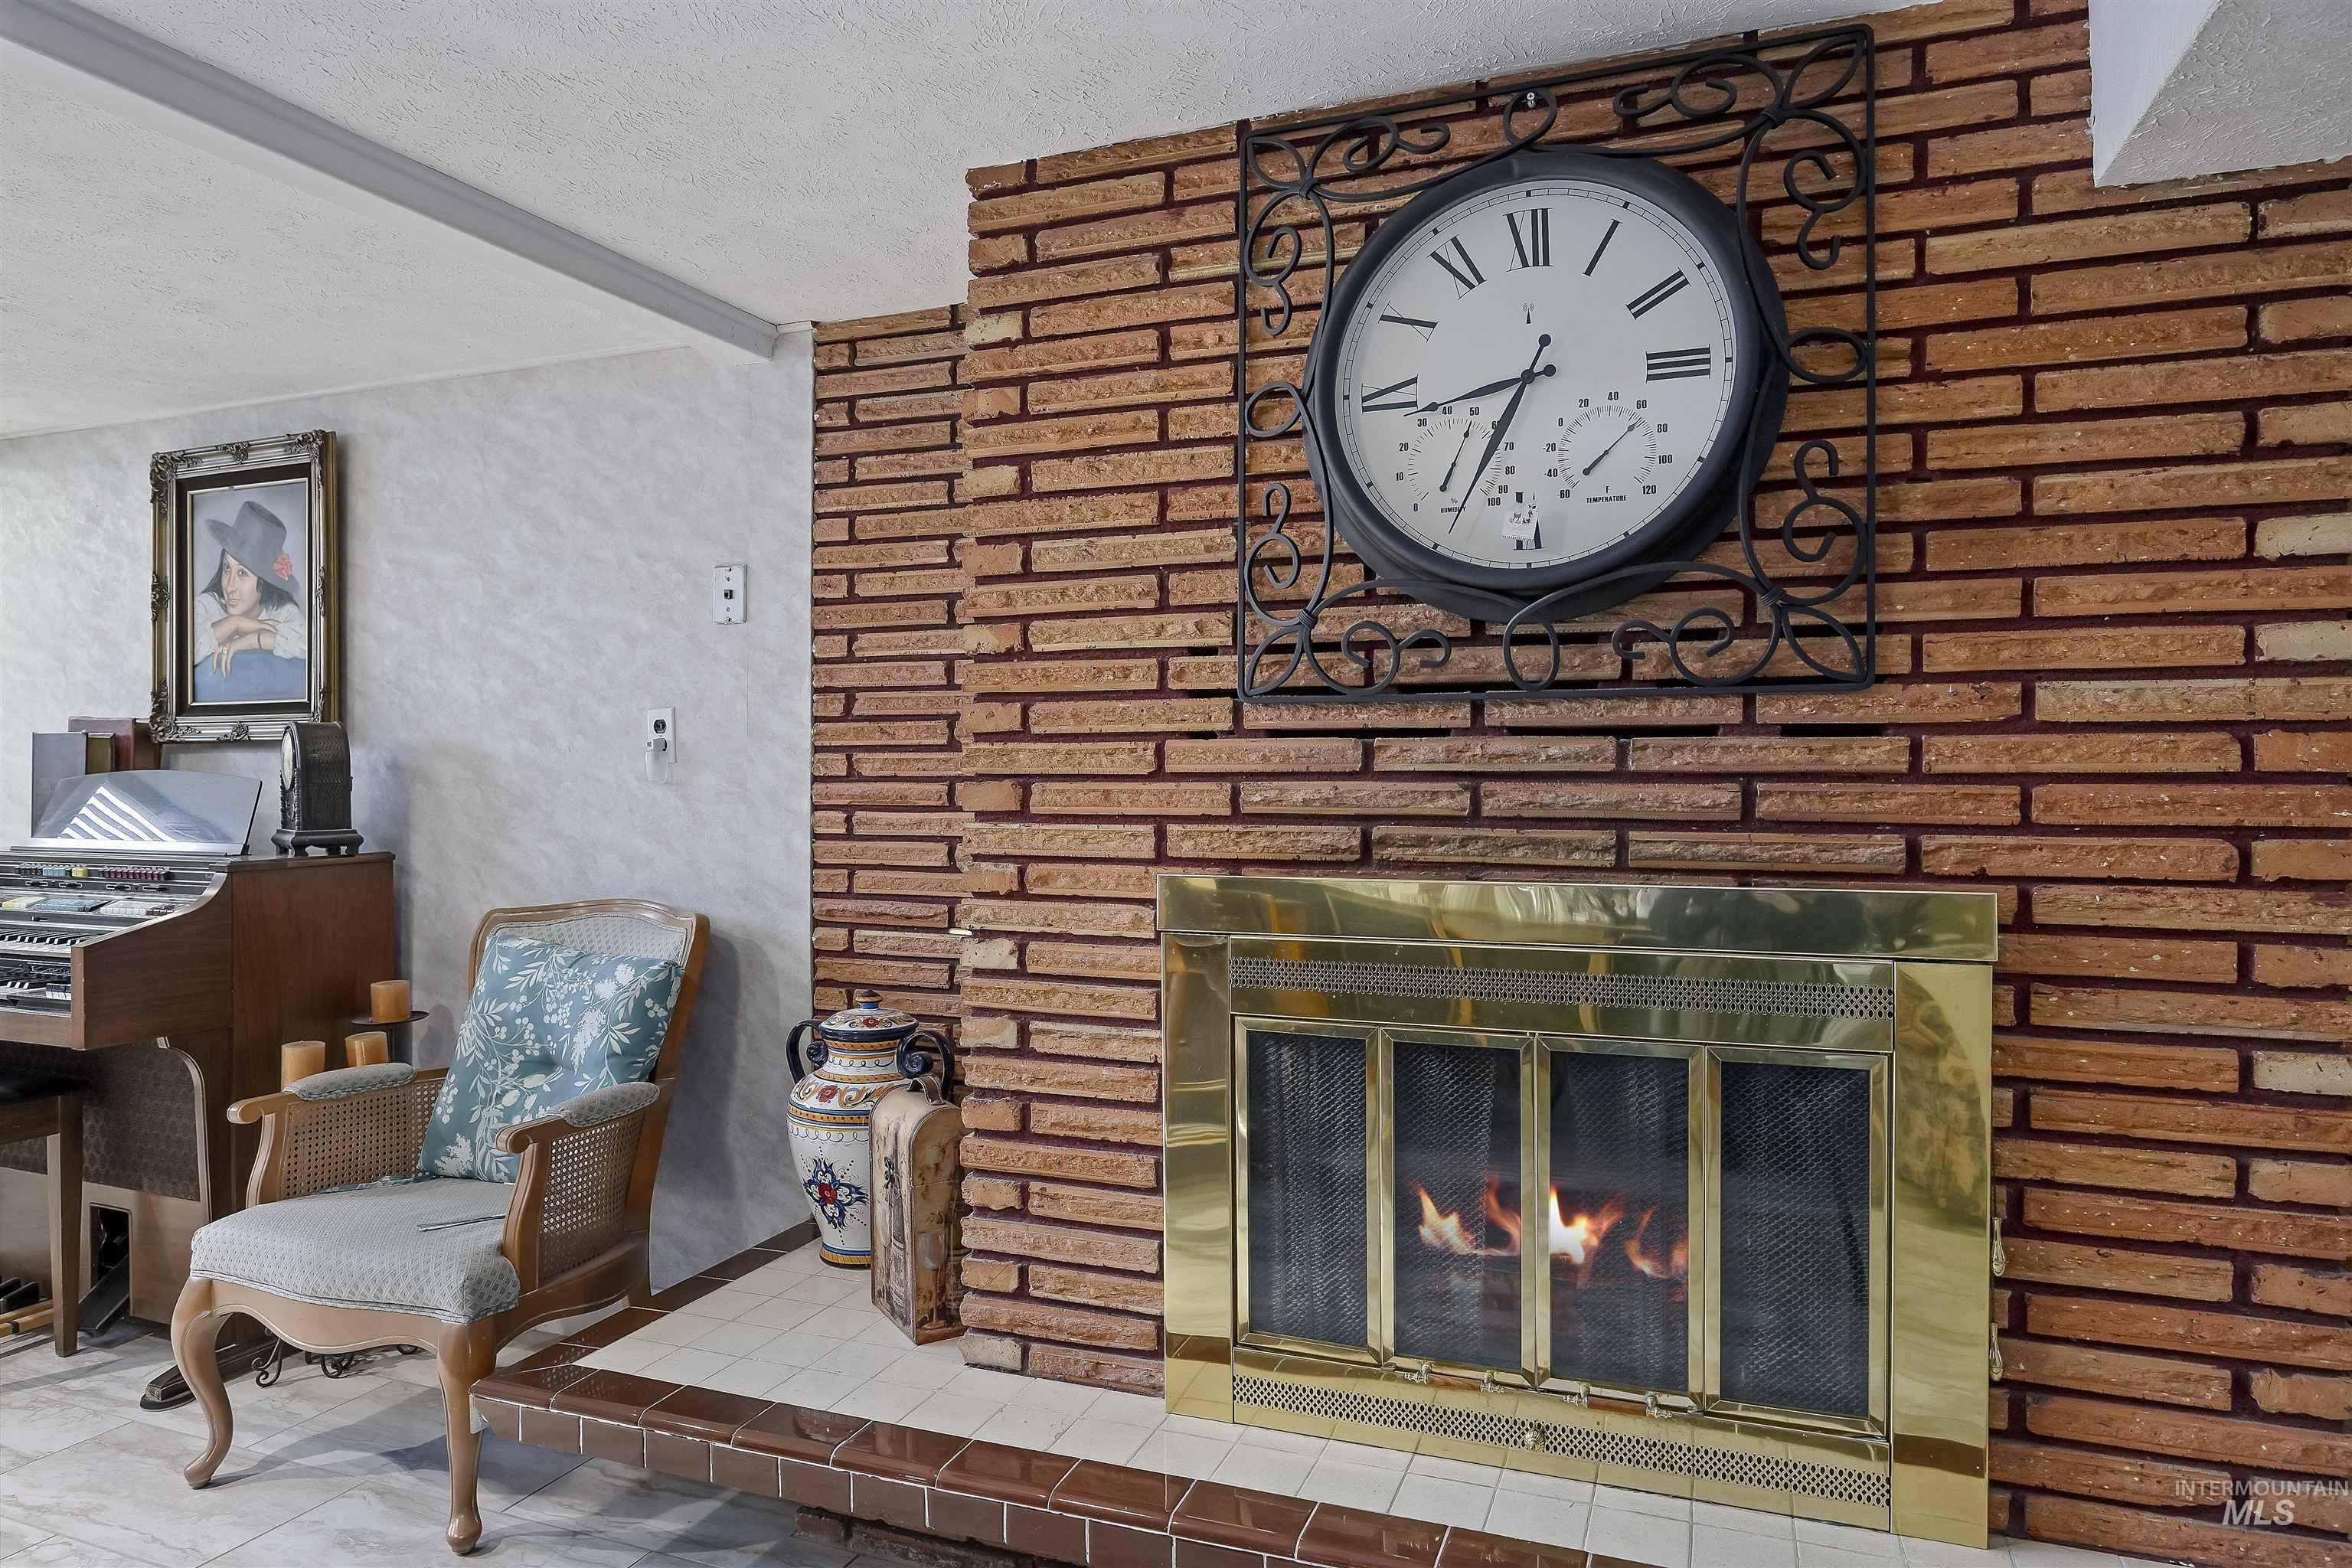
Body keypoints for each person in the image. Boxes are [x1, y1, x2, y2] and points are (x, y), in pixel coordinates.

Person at [190, 498, 309, 703]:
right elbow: (182, 650)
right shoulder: (208, 604)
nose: (229, 585)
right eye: (227, 568)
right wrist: (235, 624)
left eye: (242, 573)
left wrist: (251, 640)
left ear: (264, 582)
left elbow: (310, 645)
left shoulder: (281, 611)